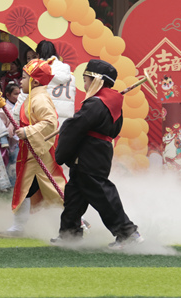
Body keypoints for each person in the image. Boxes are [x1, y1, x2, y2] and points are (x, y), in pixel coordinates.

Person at [51, 60, 142, 249]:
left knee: (101, 193)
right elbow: (113, 131)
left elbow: (75, 127)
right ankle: (70, 234)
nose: (84, 84)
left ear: (96, 81)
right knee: (75, 194)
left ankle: (127, 233)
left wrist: (66, 130)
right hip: (99, 151)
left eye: (85, 80)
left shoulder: (96, 103)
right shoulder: (112, 103)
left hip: (88, 154)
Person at [0, 58, 67, 238]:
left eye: (23, 77)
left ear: (35, 81)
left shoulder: (40, 99)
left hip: (38, 152)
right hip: (32, 151)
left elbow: (50, 123)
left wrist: (28, 131)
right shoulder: (35, 97)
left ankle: (76, 219)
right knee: (33, 189)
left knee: (48, 188)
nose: (20, 81)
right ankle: (75, 219)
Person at [4, 81, 21, 186]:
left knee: (16, 162)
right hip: (8, 140)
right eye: (16, 93)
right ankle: (11, 184)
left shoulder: (20, 105)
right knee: (9, 162)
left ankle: (16, 184)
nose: (19, 96)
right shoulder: (4, 107)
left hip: (19, 139)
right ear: (8, 95)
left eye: (20, 93)